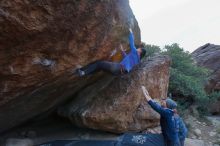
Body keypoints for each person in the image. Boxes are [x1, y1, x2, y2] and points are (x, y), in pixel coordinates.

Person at [76, 28, 146, 76]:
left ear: (140, 52)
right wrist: (122, 51)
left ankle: (83, 72)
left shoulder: (135, 53)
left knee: (99, 63)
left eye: (139, 49)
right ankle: (83, 72)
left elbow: (131, 43)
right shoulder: (136, 60)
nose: (138, 49)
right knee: (100, 67)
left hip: (118, 67)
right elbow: (126, 58)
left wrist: (131, 33)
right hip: (118, 73)